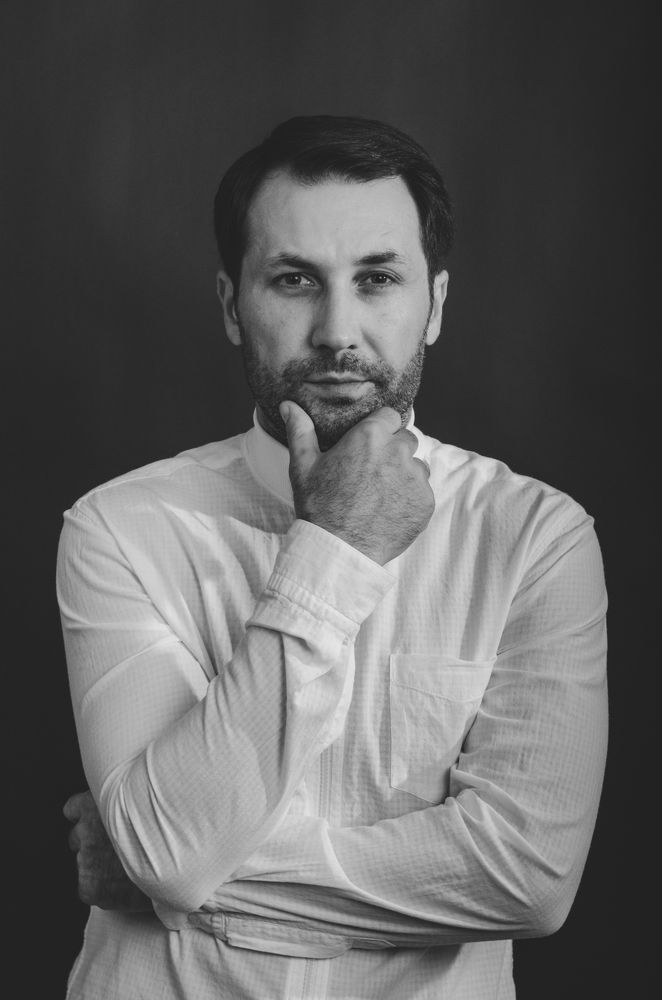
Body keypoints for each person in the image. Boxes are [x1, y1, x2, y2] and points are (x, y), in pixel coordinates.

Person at [58, 115, 608, 1000]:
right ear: (232, 306)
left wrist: (170, 876)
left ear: (434, 305)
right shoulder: (118, 528)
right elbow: (165, 849)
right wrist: (337, 546)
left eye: (377, 278)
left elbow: (528, 879)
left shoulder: (538, 539)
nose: (336, 330)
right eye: (294, 280)